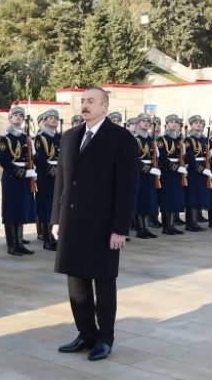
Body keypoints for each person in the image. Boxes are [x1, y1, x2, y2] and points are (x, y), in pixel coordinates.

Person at [52, 87, 138, 362]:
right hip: (72, 221)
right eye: (83, 101)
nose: (85, 105)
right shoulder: (70, 137)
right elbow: (61, 182)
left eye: (91, 101)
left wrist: (120, 228)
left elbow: (127, 187)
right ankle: (85, 333)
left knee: (103, 281)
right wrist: (56, 218)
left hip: (103, 223)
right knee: (75, 281)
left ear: (105, 107)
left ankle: (105, 338)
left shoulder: (121, 139)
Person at [0, 106, 37, 256]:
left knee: (22, 210)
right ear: (10, 118)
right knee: (11, 210)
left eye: (21, 115)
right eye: (15, 115)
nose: (19, 117)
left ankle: (20, 243)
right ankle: (12, 244)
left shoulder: (25, 137)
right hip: (12, 177)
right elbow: (4, 160)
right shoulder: (5, 137)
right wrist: (20, 172)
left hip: (26, 176)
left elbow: (30, 157)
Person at [34, 109, 60, 251]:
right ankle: (47, 239)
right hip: (46, 176)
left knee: (57, 207)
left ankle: (56, 237)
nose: (54, 120)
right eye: (51, 118)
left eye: (56, 118)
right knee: (47, 207)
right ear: (45, 121)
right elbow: (38, 157)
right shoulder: (40, 137)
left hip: (59, 175)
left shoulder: (60, 137)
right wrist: (50, 169)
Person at [156, 114, 187, 235]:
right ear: (167, 124)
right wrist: (175, 167)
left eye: (176, 122)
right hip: (167, 172)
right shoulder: (162, 140)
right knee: (167, 199)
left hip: (178, 172)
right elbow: (162, 157)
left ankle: (172, 225)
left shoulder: (179, 140)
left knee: (176, 199)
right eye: (171, 122)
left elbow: (182, 157)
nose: (174, 124)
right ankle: (166, 226)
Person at [132, 113, 160, 239]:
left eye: (148, 121)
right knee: (140, 202)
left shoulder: (150, 140)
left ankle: (146, 228)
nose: (146, 123)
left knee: (149, 201)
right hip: (140, 174)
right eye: (143, 121)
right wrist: (148, 169)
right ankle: (140, 229)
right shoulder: (134, 139)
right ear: (137, 124)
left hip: (151, 174)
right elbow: (134, 159)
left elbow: (153, 158)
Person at [183, 115, 212, 232]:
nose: (199, 124)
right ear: (191, 125)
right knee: (192, 198)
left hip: (202, 170)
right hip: (193, 171)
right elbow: (190, 157)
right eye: (196, 123)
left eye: (200, 123)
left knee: (199, 197)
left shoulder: (203, 139)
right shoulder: (189, 140)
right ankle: (190, 223)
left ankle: (195, 222)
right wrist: (201, 169)